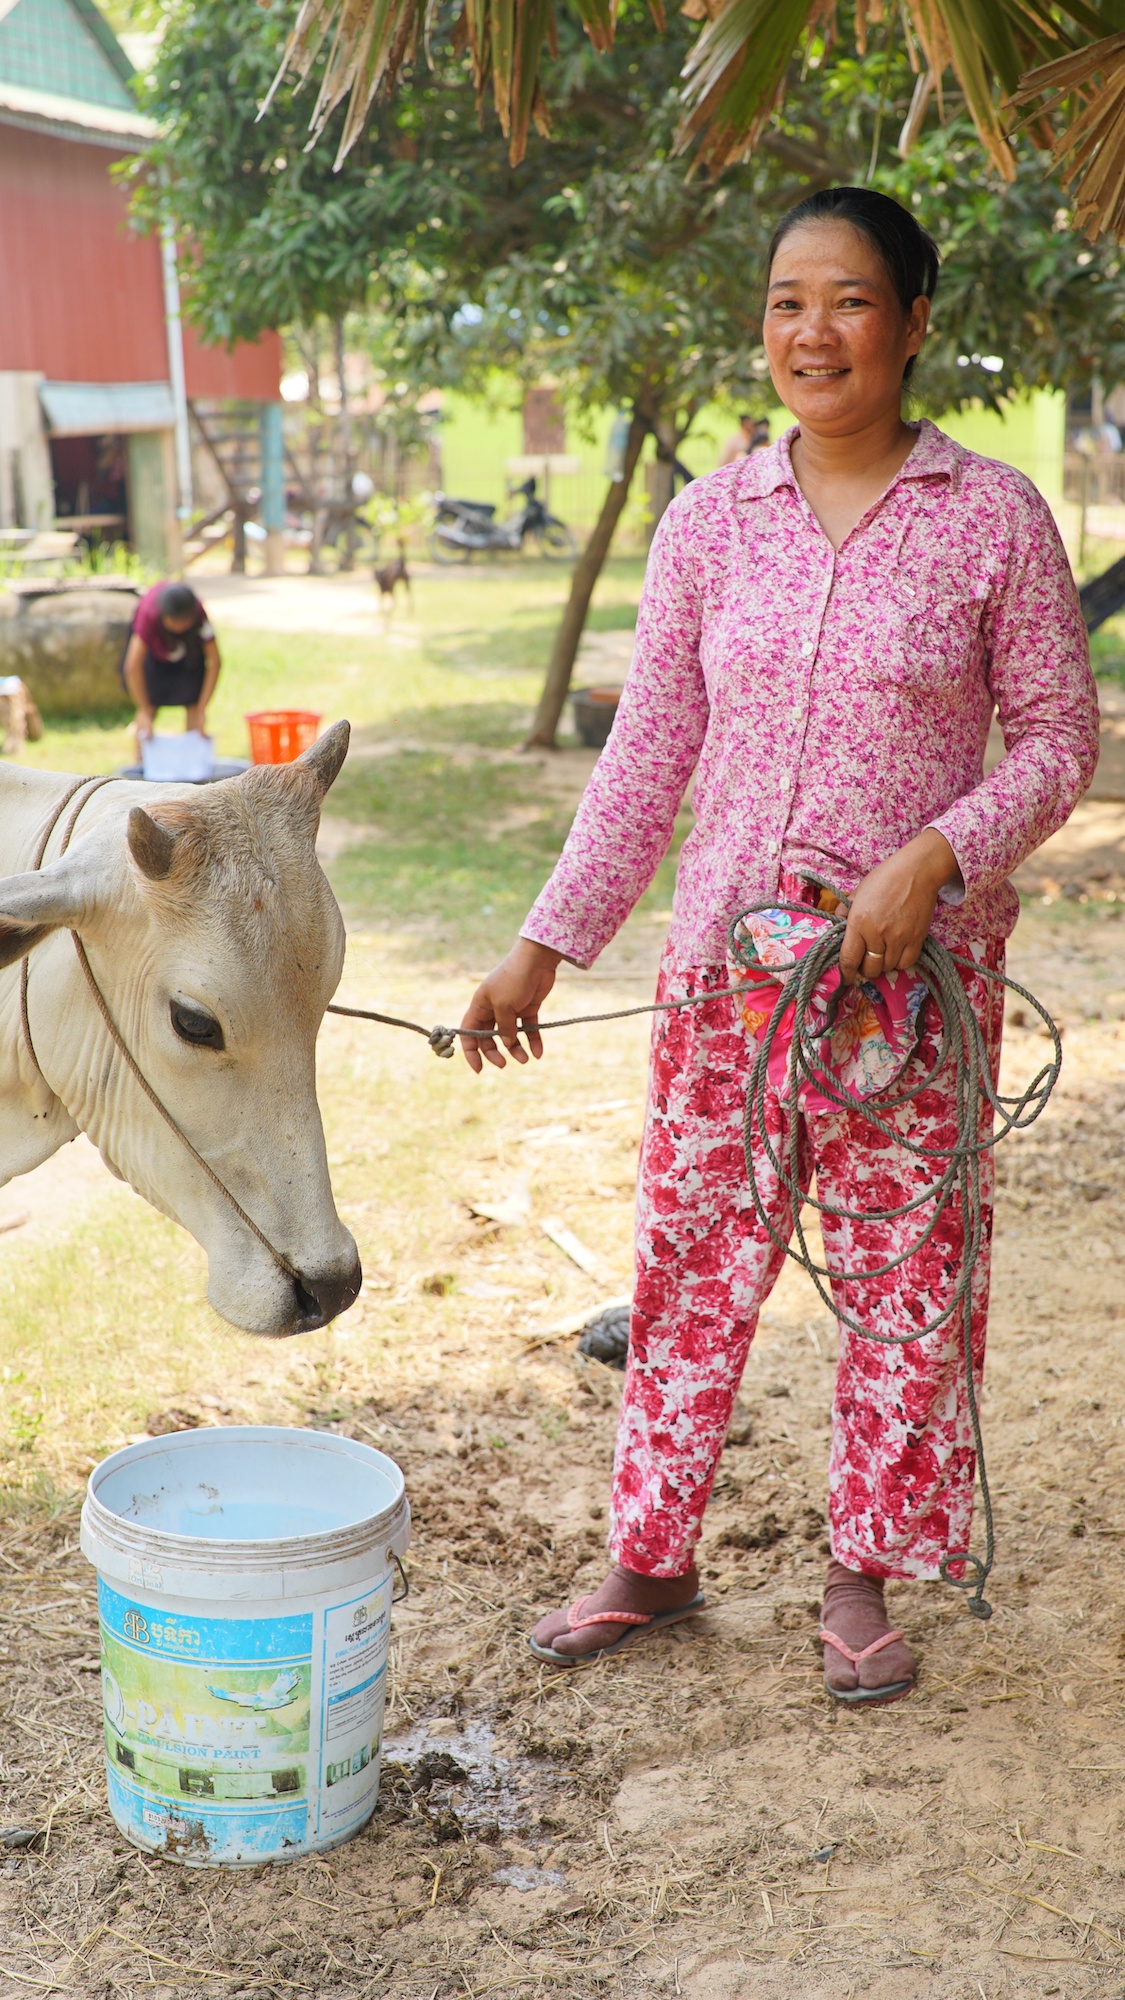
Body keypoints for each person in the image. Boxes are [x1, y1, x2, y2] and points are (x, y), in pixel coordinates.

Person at [457, 186, 1099, 1704]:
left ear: (914, 323)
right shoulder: (709, 520)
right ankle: (651, 1559)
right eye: (786, 303)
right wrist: (545, 946)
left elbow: (1060, 739)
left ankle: (861, 1573)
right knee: (689, 1262)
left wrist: (933, 858)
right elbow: (648, 753)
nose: (814, 332)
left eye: (850, 301)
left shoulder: (992, 515)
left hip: (911, 989)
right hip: (724, 979)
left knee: (903, 1275)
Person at [121, 581, 220, 751]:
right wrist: (143, 709)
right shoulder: (149, 614)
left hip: (188, 653)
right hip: (154, 657)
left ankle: (193, 759)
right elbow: (132, 667)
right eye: (175, 623)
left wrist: (202, 708)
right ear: (163, 617)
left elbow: (215, 661)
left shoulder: (197, 613)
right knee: (148, 711)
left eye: (185, 622)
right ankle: (141, 759)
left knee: (194, 706)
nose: (180, 627)